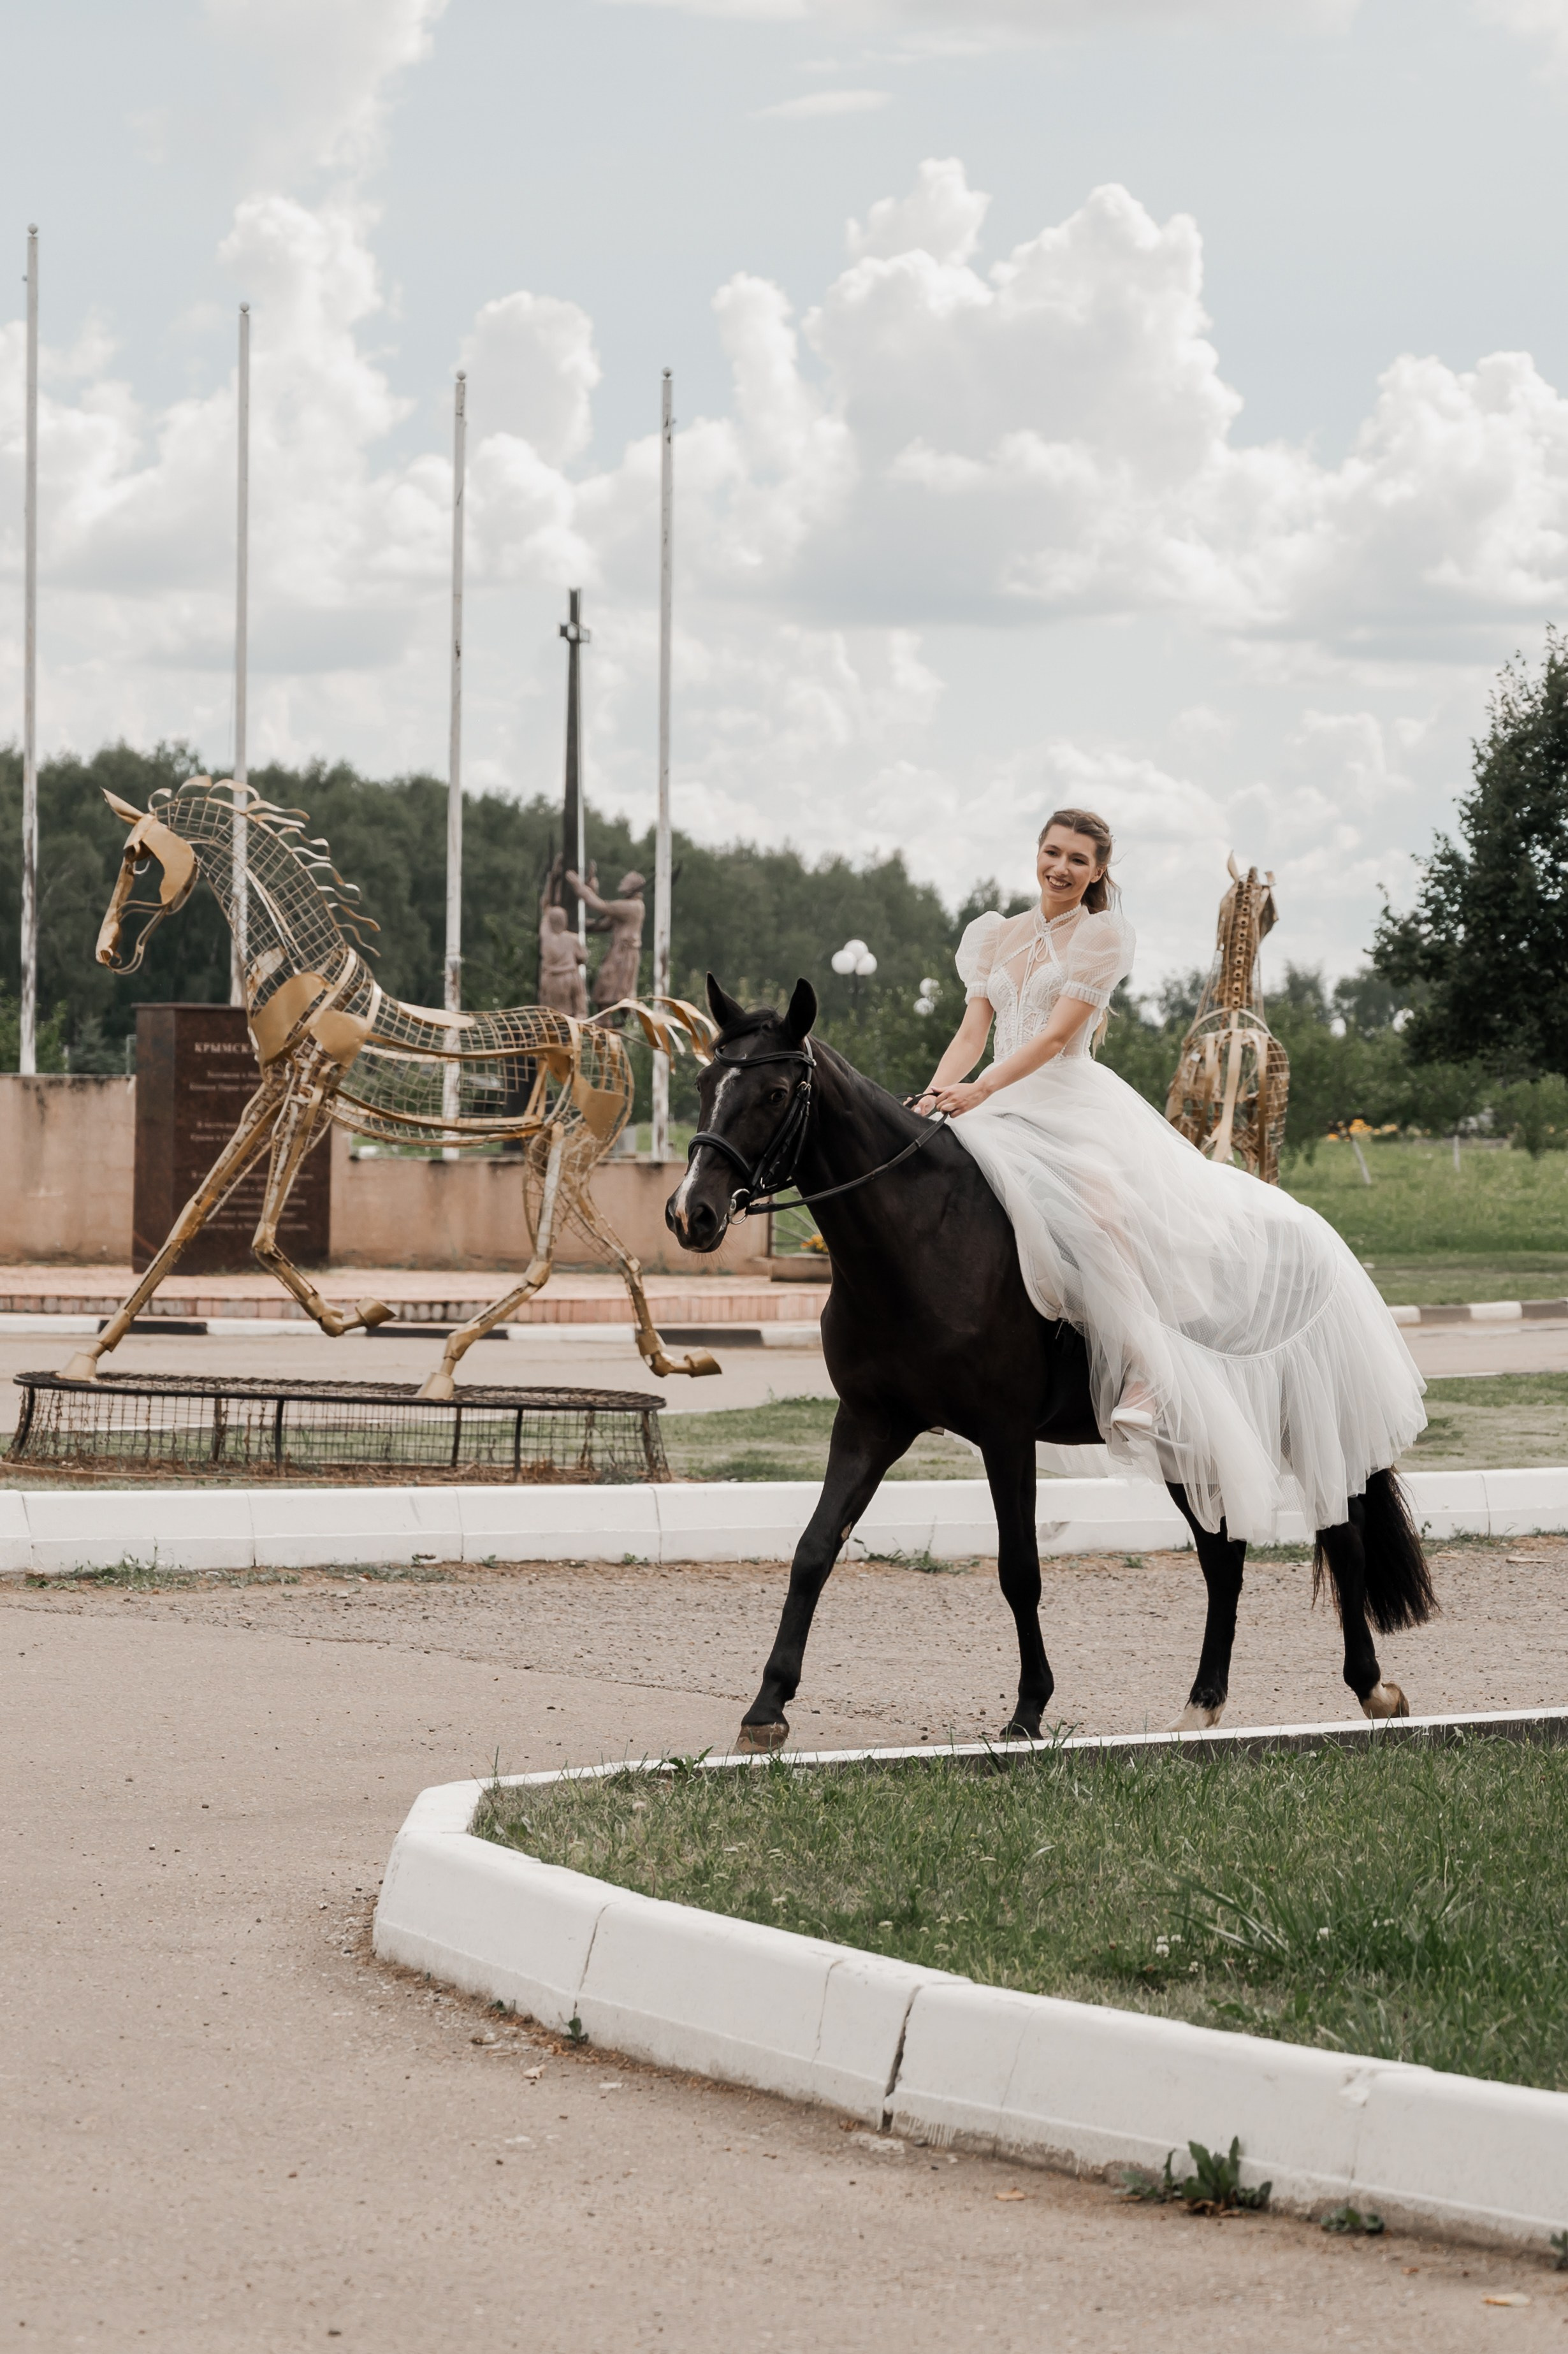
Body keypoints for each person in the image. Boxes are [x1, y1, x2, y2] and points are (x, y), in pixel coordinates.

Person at [915, 808, 1425, 1541]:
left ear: (1098, 871)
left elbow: (1056, 1038)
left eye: (1078, 859)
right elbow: (972, 1032)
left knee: (1101, 1213)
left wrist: (982, 1089)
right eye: (1053, 852)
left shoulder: (1101, 936)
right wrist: (937, 1094)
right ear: (1037, 853)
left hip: (1068, 1101)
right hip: (993, 1100)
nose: (1061, 868)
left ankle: (1147, 1372)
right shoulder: (995, 934)